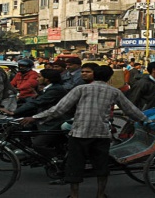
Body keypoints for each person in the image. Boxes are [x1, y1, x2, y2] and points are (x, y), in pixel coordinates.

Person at [21, 66, 147, 198]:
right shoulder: (114, 91)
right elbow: (130, 109)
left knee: (75, 165)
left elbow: (59, 109)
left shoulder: (80, 89)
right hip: (101, 134)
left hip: (79, 133)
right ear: (109, 77)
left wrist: (35, 117)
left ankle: (74, 195)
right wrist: (146, 120)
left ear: (94, 76)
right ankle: (100, 194)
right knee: (102, 166)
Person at [3, 69, 68, 159]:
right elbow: (34, 101)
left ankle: (56, 161)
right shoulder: (49, 88)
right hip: (44, 118)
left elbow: (37, 103)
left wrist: (14, 112)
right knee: (20, 127)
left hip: (54, 121)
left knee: (38, 144)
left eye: (40, 77)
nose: (37, 79)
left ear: (47, 79)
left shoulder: (56, 89)